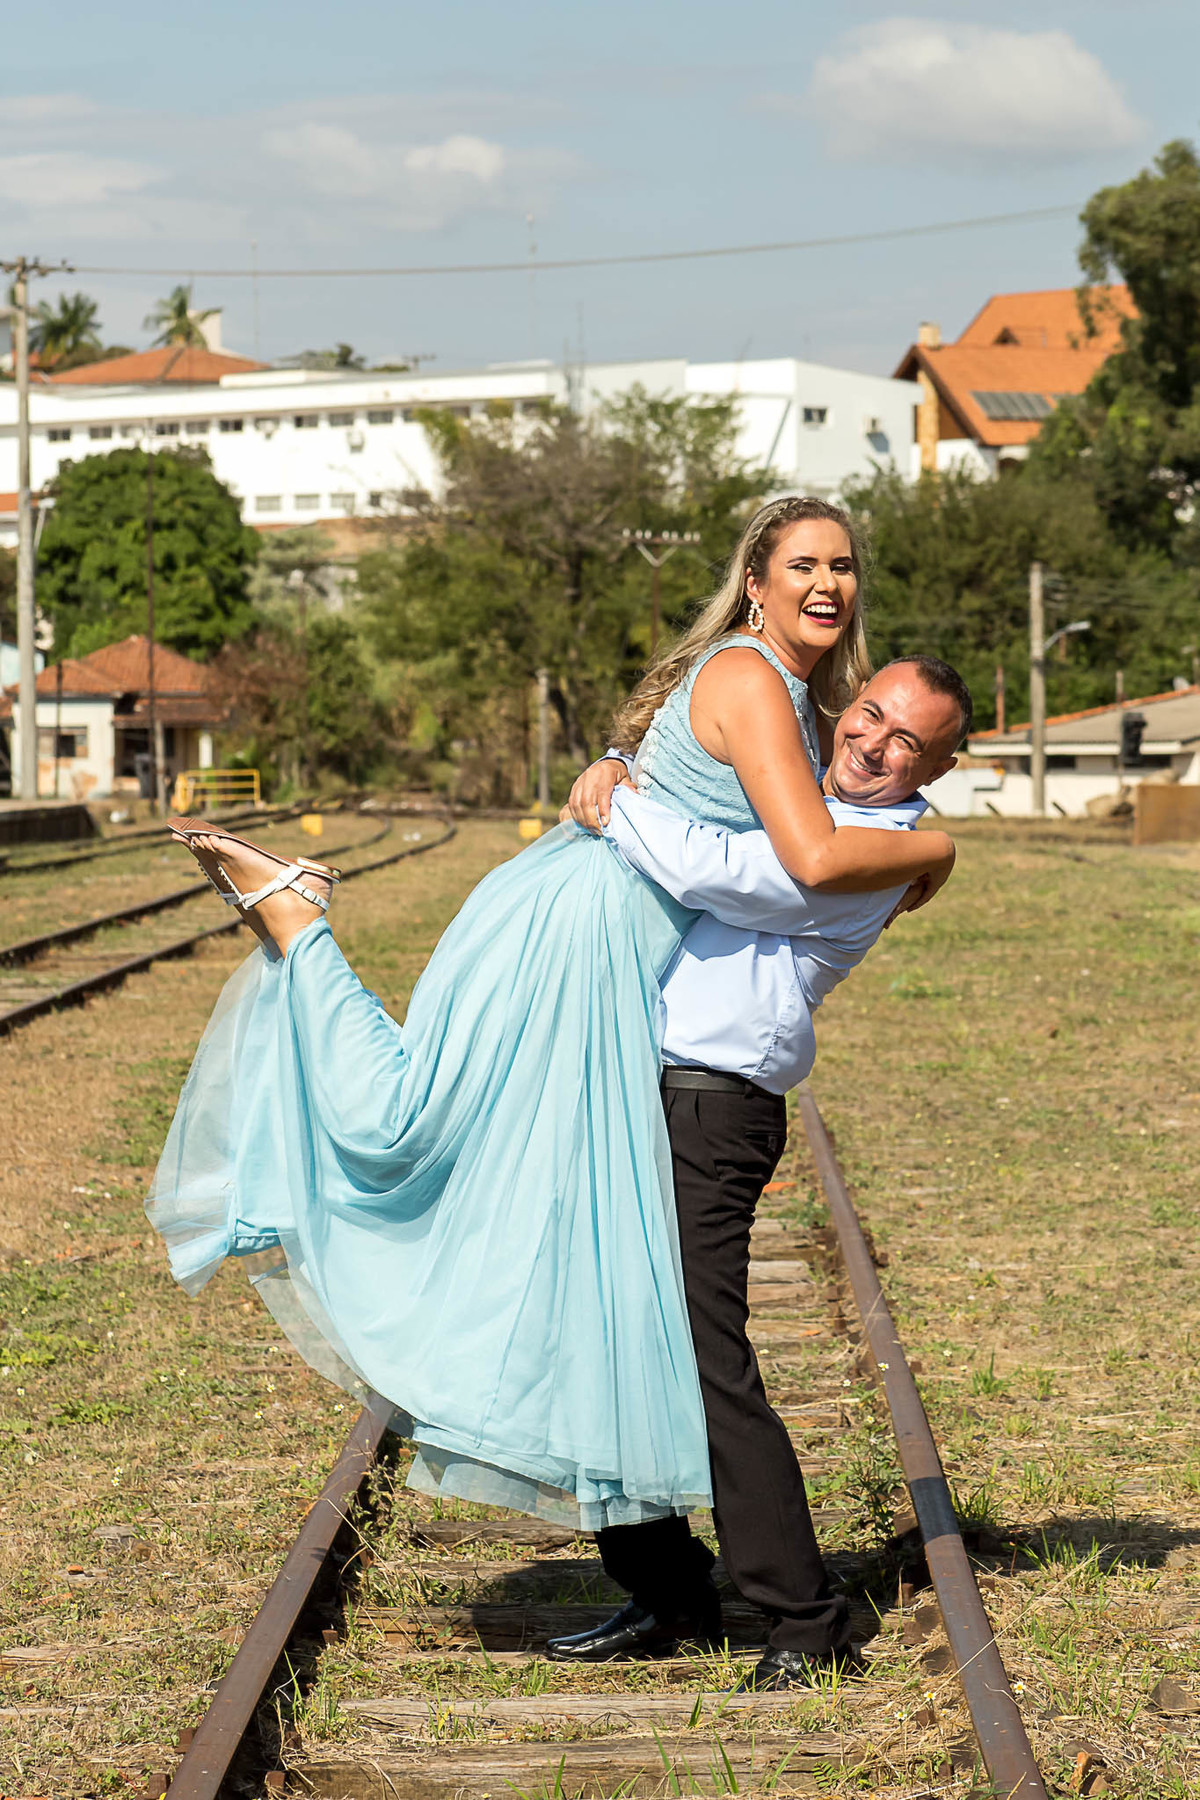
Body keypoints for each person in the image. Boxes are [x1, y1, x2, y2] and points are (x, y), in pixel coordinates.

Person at [146, 495, 955, 1551]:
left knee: (551, 1216)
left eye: (841, 566)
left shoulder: (806, 702)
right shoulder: (760, 679)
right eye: (802, 564)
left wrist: (620, 764)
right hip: (589, 927)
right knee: (428, 1122)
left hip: (611, 936)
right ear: (755, 582)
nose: (826, 584)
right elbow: (797, 853)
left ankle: (655, 1568)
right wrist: (931, 847)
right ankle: (300, 925)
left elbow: (718, 795)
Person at [545, 654, 970, 1687]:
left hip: (714, 1106)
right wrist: (618, 761)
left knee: (707, 1360)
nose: (873, 743)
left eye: (907, 740)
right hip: (638, 1083)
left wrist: (615, 802)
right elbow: (696, 782)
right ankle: (667, 1589)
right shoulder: (795, 792)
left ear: (938, 766)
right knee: (606, 1339)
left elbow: (717, 873)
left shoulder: (874, 850)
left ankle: (806, 1621)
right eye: (869, 714)